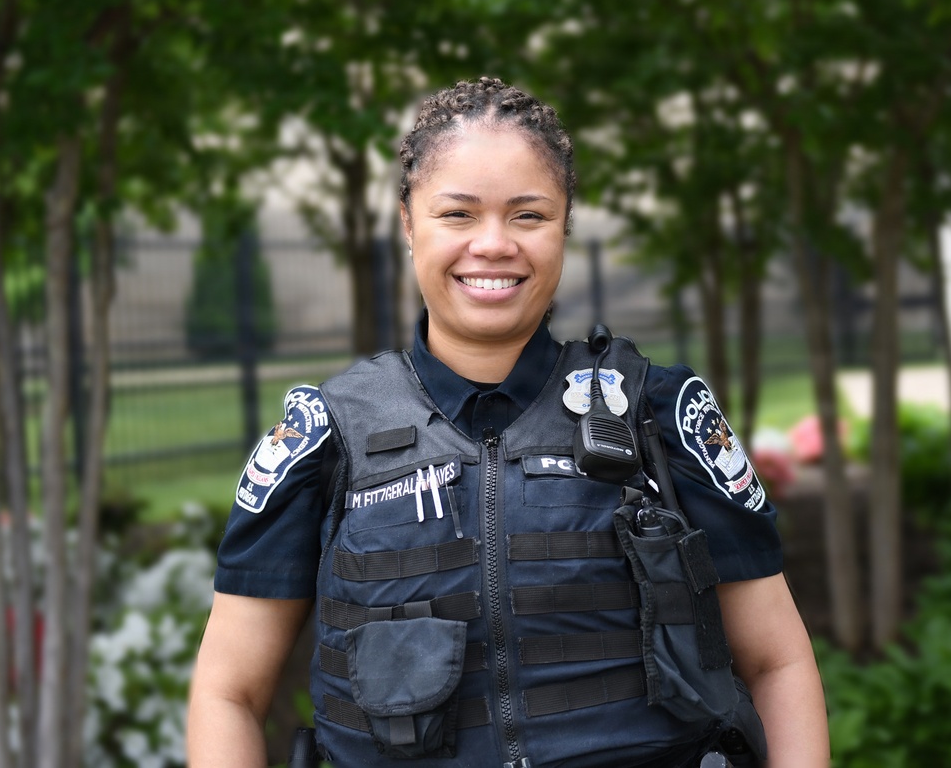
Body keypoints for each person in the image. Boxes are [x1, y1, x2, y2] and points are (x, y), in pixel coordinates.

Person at [186, 78, 830, 768]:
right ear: (409, 223)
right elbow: (229, 693)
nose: (493, 245)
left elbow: (776, 664)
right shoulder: (325, 438)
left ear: (564, 226)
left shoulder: (657, 414)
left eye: (528, 216)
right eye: (458, 215)